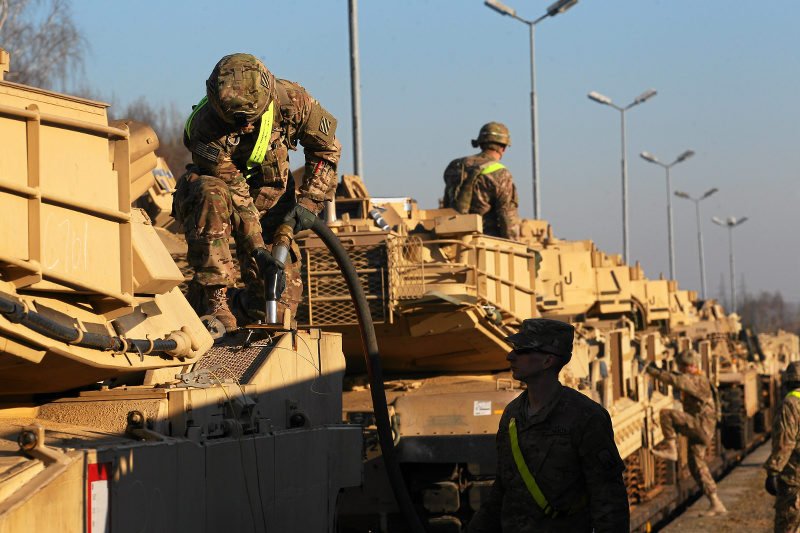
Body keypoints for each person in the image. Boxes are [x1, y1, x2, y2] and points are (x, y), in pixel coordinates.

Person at [173, 53, 341, 330]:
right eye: (237, 122)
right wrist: (258, 250)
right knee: (210, 190)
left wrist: (309, 203)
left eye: (252, 118)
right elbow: (237, 193)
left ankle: (204, 305)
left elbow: (326, 149)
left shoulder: (293, 101)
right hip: (218, 204)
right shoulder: (203, 129)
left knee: (276, 304)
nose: (247, 127)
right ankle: (213, 299)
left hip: (273, 204)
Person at [468, 318, 629, 533]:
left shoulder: (586, 417)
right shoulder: (513, 414)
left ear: (547, 361)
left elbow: (608, 498)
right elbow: (504, 486)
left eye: (522, 350)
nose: (510, 356)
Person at [646, 349, 727, 515]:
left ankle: (671, 448)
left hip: (700, 426)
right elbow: (677, 376)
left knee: (666, 414)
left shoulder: (697, 380)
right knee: (696, 465)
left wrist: (651, 371)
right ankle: (715, 502)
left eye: (684, 366)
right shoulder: (697, 378)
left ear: (691, 366)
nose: (682, 369)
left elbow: (676, 380)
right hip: (702, 427)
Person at [442, 122, 520, 240]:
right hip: (485, 244)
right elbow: (507, 218)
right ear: (503, 148)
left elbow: (447, 204)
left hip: (451, 240)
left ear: (480, 143)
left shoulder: (455, 166)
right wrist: (516, 249)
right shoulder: (501, 173)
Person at [764, 361, 800, 533]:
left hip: (795, 479)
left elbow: (785, 442)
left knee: (789, 526)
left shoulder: (790, 403)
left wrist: (773, 471)